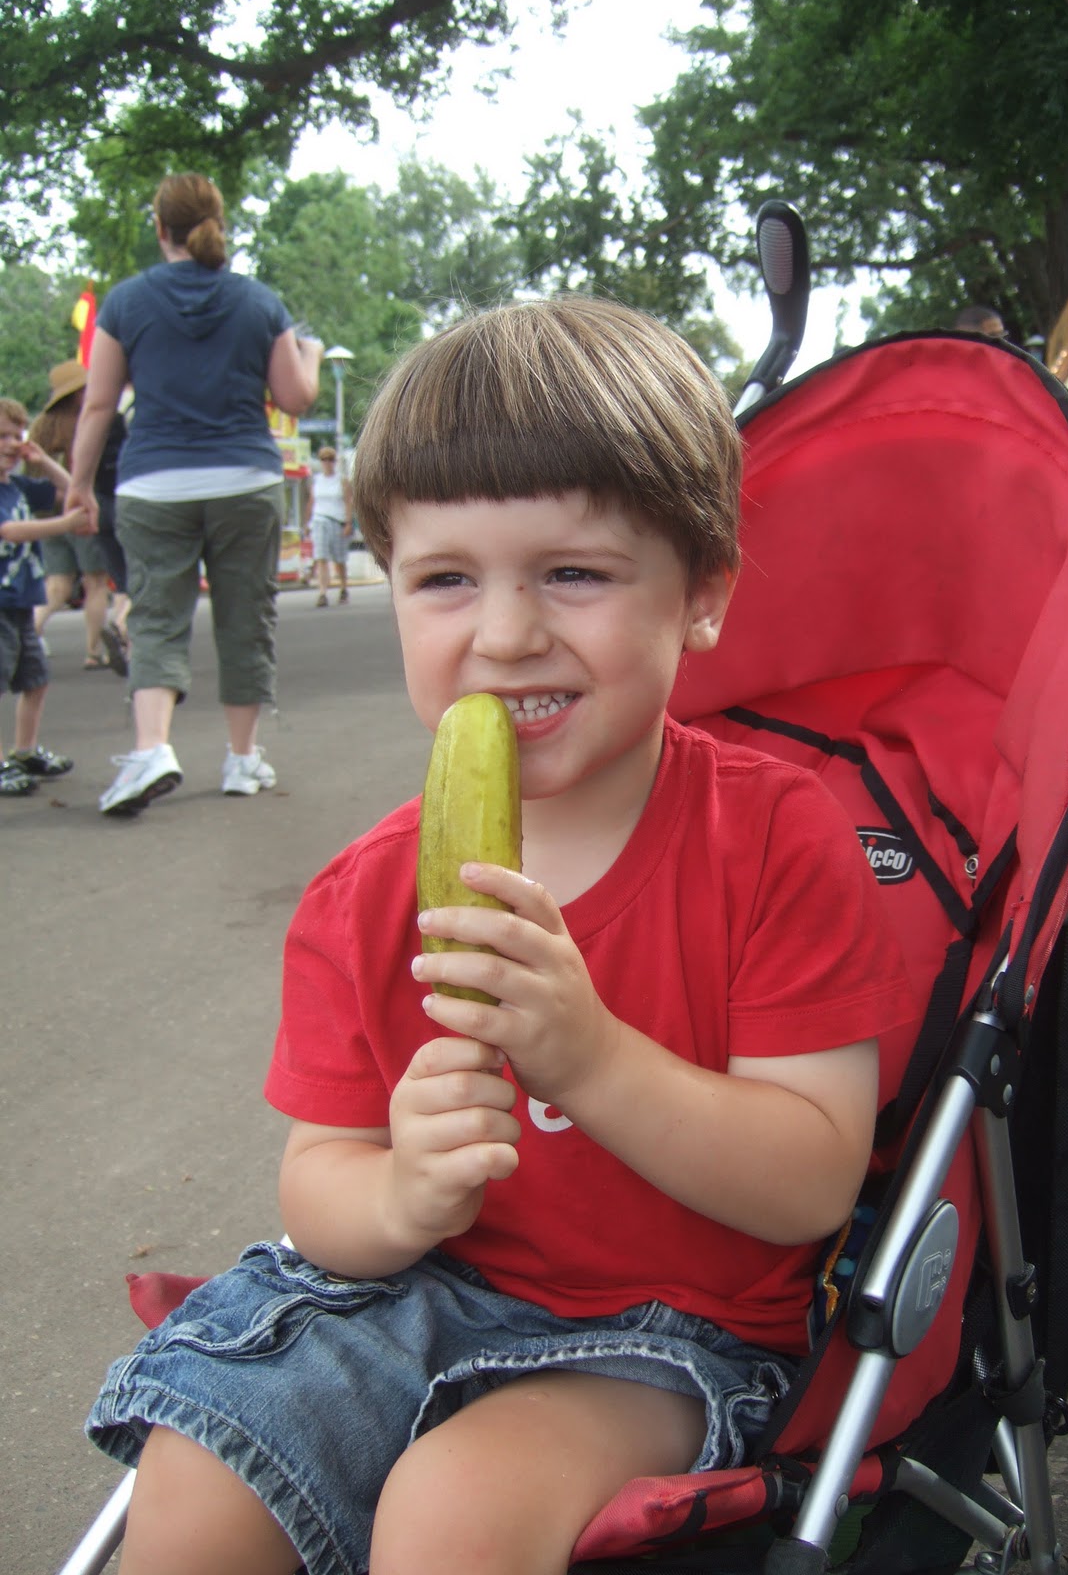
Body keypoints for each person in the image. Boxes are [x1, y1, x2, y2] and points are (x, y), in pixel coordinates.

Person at [85, 298, 916, 1575]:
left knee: (453, 1510)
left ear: (700, 594)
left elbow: (811, 1180)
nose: (507, 632)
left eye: (573, 572)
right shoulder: (362, 896)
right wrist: (402, 1193)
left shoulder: (774, 840)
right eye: (446, 580)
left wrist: (588, 1057)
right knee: (192, 1489)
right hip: (415, 1292)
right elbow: (322, 1186)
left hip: (667, 1331)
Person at [64, 171, 323, 815]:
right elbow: (295, 397)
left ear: (160, 229)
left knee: (156, 615)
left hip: (154, 482)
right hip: (245, 479)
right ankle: (241, 760)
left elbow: (97, 405)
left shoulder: (125, 303)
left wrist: (78, 487)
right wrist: (311, 356)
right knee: (246, 618)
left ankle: (153, 748)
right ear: (219, 225)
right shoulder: (260, 303)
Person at [0, 397, 92, 794]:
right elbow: (10, 532)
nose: (10, 444)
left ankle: (25, 750)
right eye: (2, 436)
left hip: (20, 603)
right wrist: (64, 525)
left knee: (35, 679)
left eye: (16, 435)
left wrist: (42, 459)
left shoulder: (19, 486)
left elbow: (71, 490)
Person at [24, 361, 120, 669]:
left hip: (46, 516)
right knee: (94, 583)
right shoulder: (85, 424)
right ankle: (93, 651)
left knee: (58, 585)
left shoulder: (41, 426)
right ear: (78, 392)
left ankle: (30, 632)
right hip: (80, 512)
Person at [306, 444, 352, 606]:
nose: (327, 462)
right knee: (321, 557)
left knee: (339, 559)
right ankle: (322, 593)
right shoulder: (316, 481)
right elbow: (312, 502)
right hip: (319, 520)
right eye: (324, 459)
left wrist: (348, 523)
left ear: (335, 461)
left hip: (337, 521)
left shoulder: (342, 480)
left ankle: (343, 588)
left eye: (330, 459)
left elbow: (348, 502)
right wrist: (307, 522)